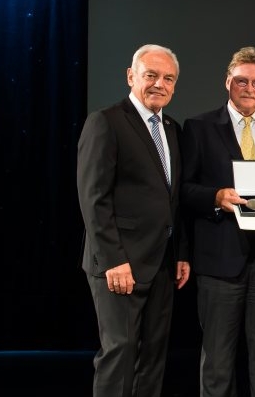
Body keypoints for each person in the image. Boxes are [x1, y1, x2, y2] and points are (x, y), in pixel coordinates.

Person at [180, 47, 255, 397]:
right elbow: (184, 190)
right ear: (227, 82)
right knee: (217, 362)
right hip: (220, 261)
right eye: (242, 81)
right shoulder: (200, 127)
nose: (249, 88)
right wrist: (216, 197)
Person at [77, 44, 190, 397]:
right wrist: (114, 260)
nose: (160, 84)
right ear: (131, 76)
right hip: (120, 264)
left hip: (161, 263)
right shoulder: (106, 121)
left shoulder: (172, 127)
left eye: (168, 78)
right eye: (151, 75)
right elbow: (93, 199)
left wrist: (181, 252)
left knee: (154, 355)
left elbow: (173, 198)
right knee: (120, 353)